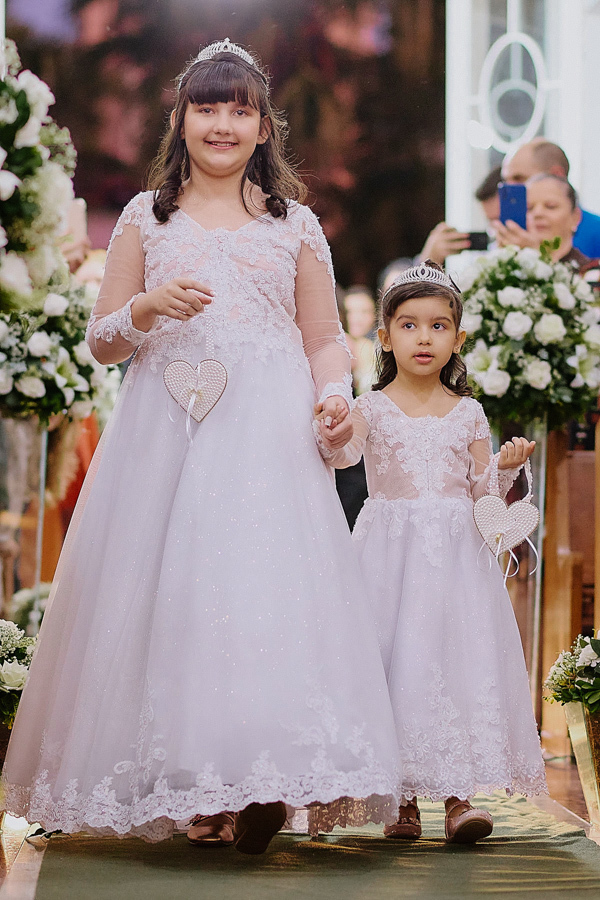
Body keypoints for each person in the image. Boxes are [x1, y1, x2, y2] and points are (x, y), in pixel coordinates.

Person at [2, 40, 401, 854]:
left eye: (239, 110)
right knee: (172, 598)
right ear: (180, 120)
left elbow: (324, 339)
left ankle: (260, 775)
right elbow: (103, 342)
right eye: (207, 107)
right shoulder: (146, 218)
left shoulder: (294, 225)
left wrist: (334, 396)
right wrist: (147, 307)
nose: (223, 124)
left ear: (264, 128)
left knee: (262, 595)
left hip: (269, 434)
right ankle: (191, 782)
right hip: (166, 436)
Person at [314, 261, 547, 843]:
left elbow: (480, 492)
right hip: (387, 554)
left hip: (454, 558)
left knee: (452, 660)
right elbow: (342, 457)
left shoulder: (468, 411)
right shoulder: (370, 406)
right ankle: (401, 797)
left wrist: (504, 470)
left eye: (439, 326)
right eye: (410, 325)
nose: (424, 338)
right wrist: (333, 430)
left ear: (458, 339)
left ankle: (459, 797)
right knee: (392, 661)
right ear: (384, 336)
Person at [502, 138, 600, 259]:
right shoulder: (516, 229)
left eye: (519, 179)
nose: (510, 188)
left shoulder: (596, 232)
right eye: (530, 208)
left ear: (556, 174)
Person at [496, 173, 598, 272]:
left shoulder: (591, 272)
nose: (538, 213)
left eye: (550, 206)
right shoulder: (507, 270)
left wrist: (537, 257)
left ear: (575, 217)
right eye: (529, 208)